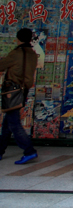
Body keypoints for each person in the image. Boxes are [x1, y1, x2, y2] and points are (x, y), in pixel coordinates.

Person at [0, 28, 39, 165]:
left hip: (12, 91)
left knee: (14, 123)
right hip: (24, 91)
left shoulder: (16, 53)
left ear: (18, 38)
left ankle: (29, 150)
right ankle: (0, 150)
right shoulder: (33, 54)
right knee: (8, 122)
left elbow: (1, 66)